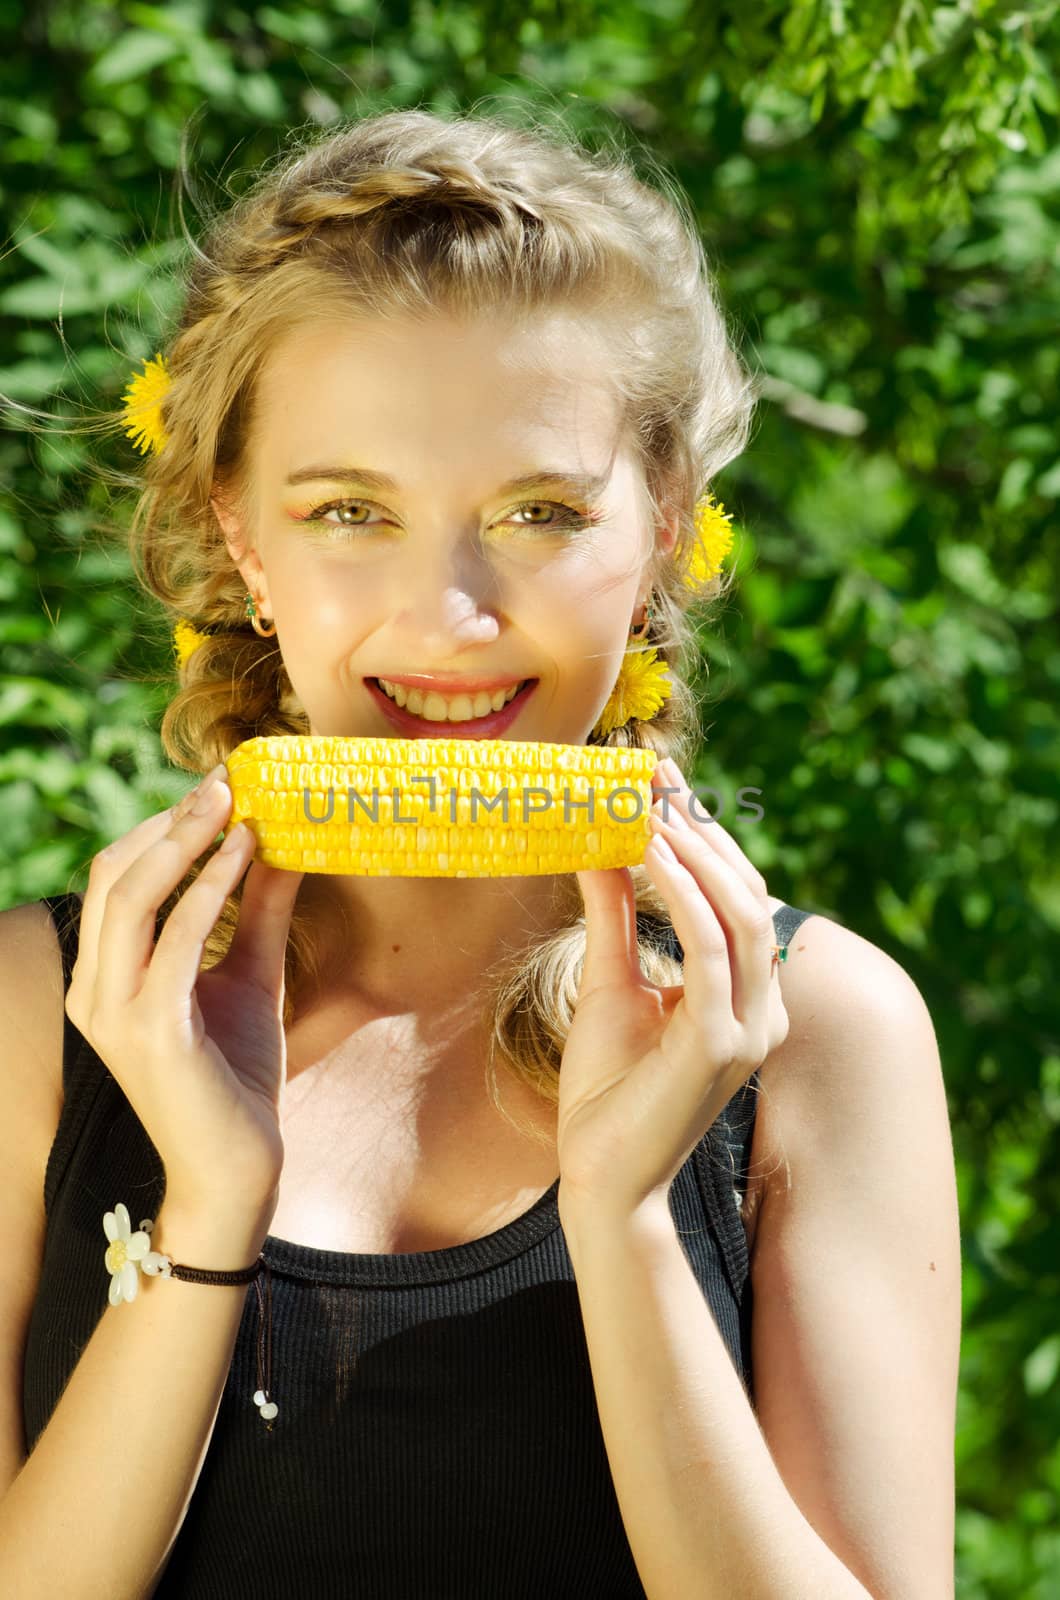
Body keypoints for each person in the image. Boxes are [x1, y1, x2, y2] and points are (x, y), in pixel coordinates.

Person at [0, 107, 961, 1599]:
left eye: (537, 512)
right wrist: (206, 1212)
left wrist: (628, 1221)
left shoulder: (818, 1033)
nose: (449, 615)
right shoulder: (38, 1020)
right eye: (347, 512)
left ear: (665, 531)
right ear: (240, 537)